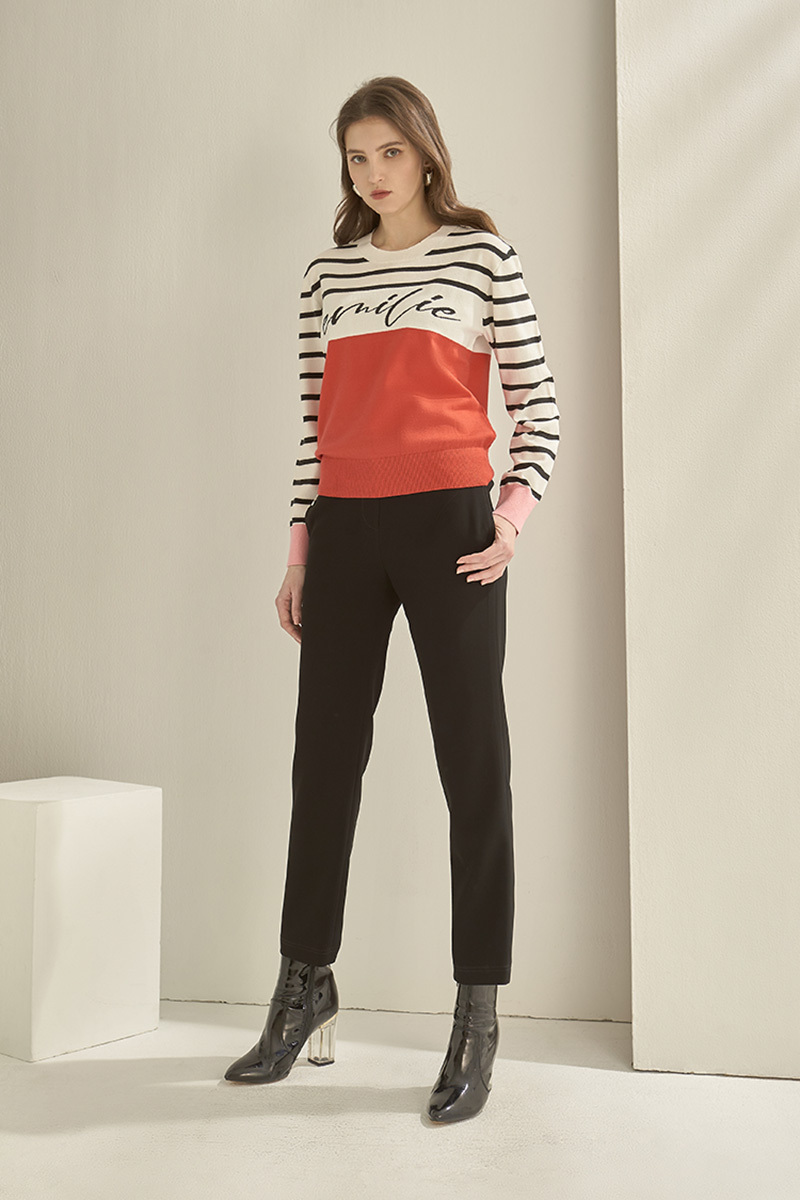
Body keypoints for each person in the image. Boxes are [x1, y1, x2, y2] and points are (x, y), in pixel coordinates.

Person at [224, 75, 560, 1123]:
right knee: (322, 761)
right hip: (344, 526)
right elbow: (311, 423)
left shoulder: (482, 256)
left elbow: (539, 405)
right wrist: (299, 551)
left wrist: (510, 519)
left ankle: (477, 1011)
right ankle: (303, 982)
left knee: (474, 766)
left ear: (425, 153)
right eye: (355, 158)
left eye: (389, 153)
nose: (372, 174)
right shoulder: (327, 274)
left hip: (452, 530)